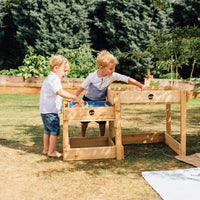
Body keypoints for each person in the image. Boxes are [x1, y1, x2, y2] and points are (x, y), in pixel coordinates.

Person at [75, 50, 145, 137]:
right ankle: (83, 137)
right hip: (88, 100)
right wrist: (74, 97)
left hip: (101, 101)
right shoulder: (92, 76)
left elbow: (126, 78)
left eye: (114, 68)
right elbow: (81, 88)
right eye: (111, 68)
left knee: (102, 121)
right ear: (101, 67)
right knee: (85, 120)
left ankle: (102, 137)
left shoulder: (112, 75)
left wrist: (140, 85)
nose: (113, 70)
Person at [40, 55, 84, 157]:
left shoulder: (49, 78)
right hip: (51, 111)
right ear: (56, 68)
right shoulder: (54, 79)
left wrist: (66, 98)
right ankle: (52, 151)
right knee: (54, 130)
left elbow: (54, 94)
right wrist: (74, 97)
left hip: (45, 110)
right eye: (64, 71)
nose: (66, 74)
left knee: (47, 130)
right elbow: (60, 92)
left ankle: (46, 149)